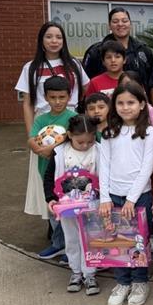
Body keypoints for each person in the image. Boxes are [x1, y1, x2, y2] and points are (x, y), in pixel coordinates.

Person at [16, 21, 88, 234]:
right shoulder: (31, 67)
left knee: (69, 170)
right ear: (41, 40)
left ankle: (71, 220)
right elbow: (28, 102)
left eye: (58, 37)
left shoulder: (74, 64)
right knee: (45, 172)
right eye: (49, 36)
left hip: (69, 121)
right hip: (43, 124)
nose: (54, 41)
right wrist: (32, 135)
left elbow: (84, 90)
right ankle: (51, 220)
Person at [99, 81, 153, 305]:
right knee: (116, 240)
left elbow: (147, 167)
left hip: (139, 197)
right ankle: (122, 282)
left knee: (137, 242)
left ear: (142, 104)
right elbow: (104, 165)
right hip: (113, 196)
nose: (125, 107)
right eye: (120, 103)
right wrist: (104, 197)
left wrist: (132, 198)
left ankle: (140, 282)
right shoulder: (109, 132)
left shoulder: (149, 132)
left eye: (131, 102)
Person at [43, 115, 100, 295]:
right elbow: (49, 176)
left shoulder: (99, 150)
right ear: (69, 135)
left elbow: (105, 177)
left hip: (91, 204)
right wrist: (50, 197)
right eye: (80, 142)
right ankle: (76, 272)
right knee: (72, 238)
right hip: (67, 205)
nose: (85, 146)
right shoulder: (60, 152)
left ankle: (90, 274)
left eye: (89, 141)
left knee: (90, 239)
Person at [28, 77, 77, 259]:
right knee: (53, 211)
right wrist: (37, 149)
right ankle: (58, 245)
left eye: (62, 97)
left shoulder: (73, 118)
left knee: (70, 213)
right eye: (53, 97)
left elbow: (74, 137)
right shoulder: (41, 119)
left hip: (67, 174)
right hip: (46, 172)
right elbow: (32, 138)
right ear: (46, 97)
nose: (57, 101)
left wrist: (53, 148)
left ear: (69, 96)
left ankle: (70, 247)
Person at [82, 8, 153, 87]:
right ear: (109, 26)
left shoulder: (143, 50)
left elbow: (152, 81)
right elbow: (85, 83)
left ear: (130, 24)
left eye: (124, 21)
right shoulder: (96, 51)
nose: (120, 24)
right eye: (115, 21)